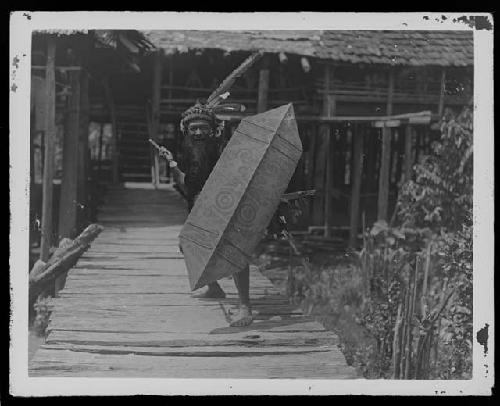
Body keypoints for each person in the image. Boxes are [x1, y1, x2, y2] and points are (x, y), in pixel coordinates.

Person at [159, 101, 253, 327]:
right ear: (186, 131)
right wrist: (171, 162)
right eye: (194, 129)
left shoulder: (224, 149)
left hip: (225, 205)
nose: (199, 132)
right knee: (189, 244)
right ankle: (214, 287)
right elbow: (187, 185)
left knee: (233, 251)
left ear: (213, 130)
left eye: (203, 128)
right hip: (200, 207)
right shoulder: (190, 151)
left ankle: (245, 307)